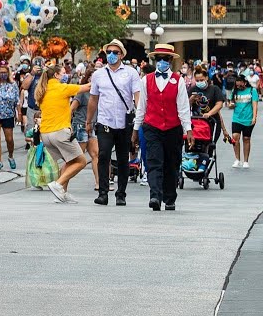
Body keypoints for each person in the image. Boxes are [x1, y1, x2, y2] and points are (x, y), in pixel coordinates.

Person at [133, 44, 192, 211]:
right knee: (154, 162)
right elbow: (141, 107)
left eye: (165, 59)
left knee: (171, 164)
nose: (161, 61)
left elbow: (183, 108)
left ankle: (170, 197)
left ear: (171, 61)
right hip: (152, 127)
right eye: (158, 58)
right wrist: (136, 129)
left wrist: (189, 130)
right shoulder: (146, 80)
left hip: (173, 128)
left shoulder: (178, 81)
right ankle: (155, 196)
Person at [87, 39, 141, 206]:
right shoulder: (98, 75)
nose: (111, 55)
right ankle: (103, 192)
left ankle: (121, 194)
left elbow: (137, 96)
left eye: (115, 52)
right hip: (105, 121)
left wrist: (139, 117)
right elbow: (93, 99)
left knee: (123, 158)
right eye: (108, 52)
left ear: (121, 55)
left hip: (124, 122)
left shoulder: (131, 73)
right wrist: (88, 120)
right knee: (103, 155)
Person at [34, 62, 86, 203]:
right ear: (56, 75)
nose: (65, 75)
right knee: (81, 161)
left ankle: (62, 193)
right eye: (63, 73)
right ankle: (57, 184)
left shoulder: (42, 90)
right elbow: (86, 87)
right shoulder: (62, 88)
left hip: (46, 134)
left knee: (70, 162)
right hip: (61, 132)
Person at [70, 70, 98, 190]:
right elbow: (71, 109)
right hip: (81, 126)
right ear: (88, 79)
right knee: (79, 157)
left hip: (93, 127)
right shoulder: (82, 93)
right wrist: (68, 126)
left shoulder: (100, 93)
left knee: (96, 154)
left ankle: (99, 183)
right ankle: (62, 179)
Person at [228, 73, 256, 168]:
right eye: (237, 85)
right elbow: (230, 103)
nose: (238, 87)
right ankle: (237, 159)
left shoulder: (252, 90)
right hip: (237, 118)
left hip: (248, 118)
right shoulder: (234, 91)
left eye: (240, 85)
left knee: (246, 138)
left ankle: (246, 161)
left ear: (245, 83)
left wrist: (254, 117)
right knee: (235, 137)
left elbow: (254, 105)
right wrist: (231, 105)